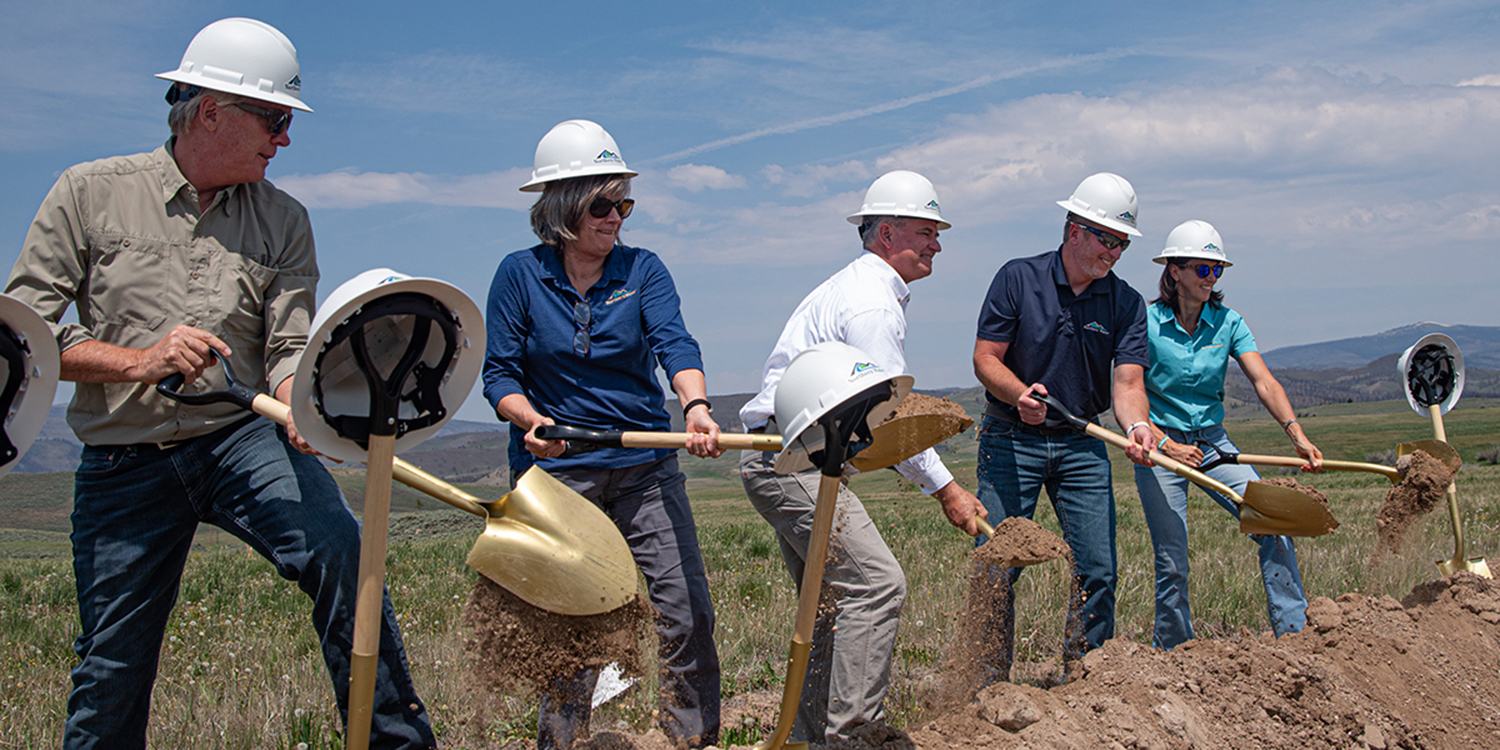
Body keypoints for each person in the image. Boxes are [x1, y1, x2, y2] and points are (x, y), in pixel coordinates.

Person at [3, 18, 436, 749]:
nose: (285, 139)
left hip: (241, 439)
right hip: (124, 458)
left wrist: (301, 396)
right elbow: (27, 338)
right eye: (273, 119)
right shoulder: (88, 193)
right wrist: (140, 361)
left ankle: (398, 741)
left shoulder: (285, 221)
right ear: (211, 112)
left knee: (340, 557)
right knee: (111, 663)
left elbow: (290, 343)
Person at [481, 119, 721, 750]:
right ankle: (563, 744)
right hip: (559, 474)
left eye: (624, 203)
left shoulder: (643, 270)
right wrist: (530, 421)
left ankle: (688, 739)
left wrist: (693, 405)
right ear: (561, 208)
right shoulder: (519, 276)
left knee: (685, 607)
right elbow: (499, 373)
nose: (616, 216)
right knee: (576, 624)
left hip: (643, 463)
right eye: (602, 204)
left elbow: (675, 341)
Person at [739, 170, 987, 743]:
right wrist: (948, 490)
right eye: (926, 231)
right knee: (876, 585)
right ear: (885, 234)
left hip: (798, 457)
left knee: (827, 604)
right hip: (795, 460)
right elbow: (884, 415)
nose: (937, 244)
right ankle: (853, 734)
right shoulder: (872, 305)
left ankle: (809, 737)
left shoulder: (853, 289)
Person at [971, 172, 1155, 683]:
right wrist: (1020, 394)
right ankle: (986, 685)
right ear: (1075, 230)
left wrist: (1138, 424)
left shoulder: (1126, 303)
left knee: (1097, 568)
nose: (1116, 253)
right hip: (1011, 437)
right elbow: (986, 359)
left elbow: (1128, 383)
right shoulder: (1017, 278)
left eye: (1123, 243)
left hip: (1080, 444)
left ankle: (1085, 678)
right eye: (1109, 240)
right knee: (997, 564)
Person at [1134, 219, 1324, 650]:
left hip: (1214, 442)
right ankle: (1176, 653)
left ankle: (1295, 640)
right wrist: (1165, 445)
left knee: (1273, 523)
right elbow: (1130, 391)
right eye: (1202, 269)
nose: (1211, 279)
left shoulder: (1228, 322)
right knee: (1172, 559)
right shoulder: (1144, 323)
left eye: (1217, 270)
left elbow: (1264, 382)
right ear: (1174, 271)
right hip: (1161, 445)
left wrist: (1296, 433)